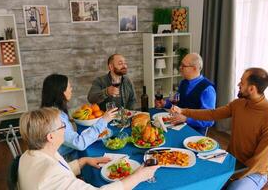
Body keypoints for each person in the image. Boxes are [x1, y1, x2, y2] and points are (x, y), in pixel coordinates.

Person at [171, 67, 268, 190]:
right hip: (231, 161)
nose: (238, 84)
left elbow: (258, 161)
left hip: (254, 173)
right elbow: (211, 114)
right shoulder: (239, 104)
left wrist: (230, 176)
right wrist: (183, 111)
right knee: (197, 173)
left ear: (252, 89)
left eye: (242, 82)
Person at [18, 107, 159, 190]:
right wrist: (139, 176)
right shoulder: (50, 174)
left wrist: (82, 161)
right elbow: (55, 176)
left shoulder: (30, 155)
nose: (66, 129)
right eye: (62, 126)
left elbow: (60, 173)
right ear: (50, 137)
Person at [41, 74, 118, 160]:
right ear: (61, 92)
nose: (71, 89)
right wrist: (103, 120)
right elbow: (79, 143)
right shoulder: (56, 118)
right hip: (65, 159)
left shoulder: (51, 111)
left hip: (67, 152)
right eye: (69, 87)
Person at [155, 53, 216, 135]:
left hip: (194, 133)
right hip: (177, 126)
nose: (180, 68)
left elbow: (209, 120)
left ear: (194, 68)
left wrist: (186, 119)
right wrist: (165, 103)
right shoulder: (184, 82)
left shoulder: (207, 89)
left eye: (183, 66)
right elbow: (179, 103)